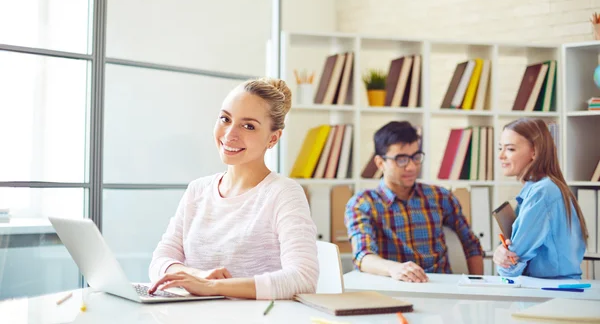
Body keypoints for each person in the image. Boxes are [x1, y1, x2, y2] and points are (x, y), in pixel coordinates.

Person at [148, 78, 319, 299]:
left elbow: (303, 279)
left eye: (248, 126)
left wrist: (212, 287)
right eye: (225, 119)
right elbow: (159, 262)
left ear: (273, 138)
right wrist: (198, 276)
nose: (230, 134)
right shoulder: (197, 190)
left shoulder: (283, 193)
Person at [345, 121, 483, 283]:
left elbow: (471, 245)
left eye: (416, 157)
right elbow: (363, 256)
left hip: (440, 286)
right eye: (401, 159)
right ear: (380, 163)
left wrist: (478, 285)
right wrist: (394, 268)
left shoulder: (440, 197)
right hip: (392, 287)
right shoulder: (363, 203)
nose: (411, 167)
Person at [494, 118, 588, 279]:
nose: (501, 155)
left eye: (510, 149)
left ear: (535, 152)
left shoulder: (542, 193)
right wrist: (502, 255)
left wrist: (501, 259)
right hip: (555, 290)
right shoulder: (545, 187)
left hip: (551, 293)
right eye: (500, 148)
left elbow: (511, 265)